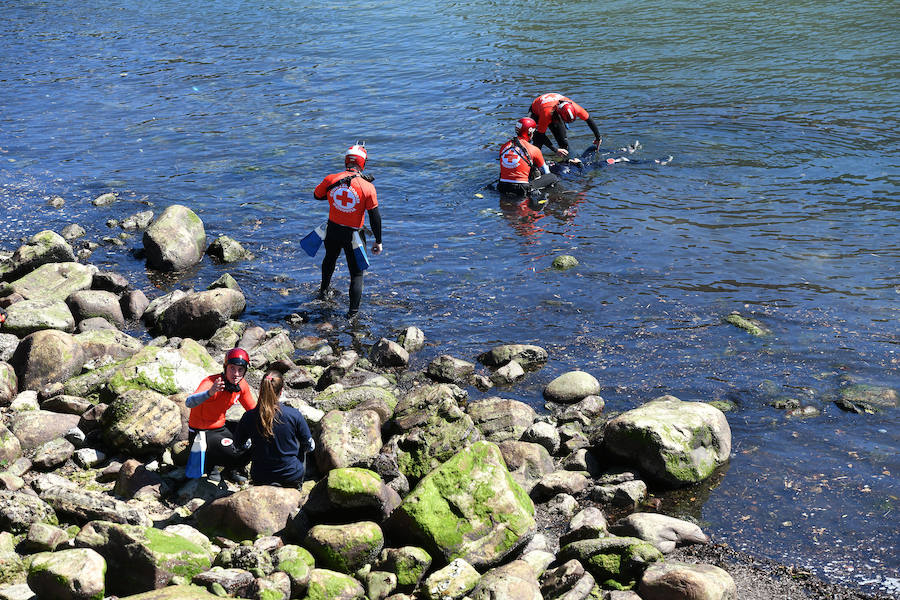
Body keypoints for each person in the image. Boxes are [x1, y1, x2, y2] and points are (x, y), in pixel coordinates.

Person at [314, 143, 383, 319]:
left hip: (333, 230)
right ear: (363, 163)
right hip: (354, 235)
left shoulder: (331, 179)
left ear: (346, 161)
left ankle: (323, 291)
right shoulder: (368, 187)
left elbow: (317, 195)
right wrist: (378, 240)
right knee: (357, 273)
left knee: (329, 259)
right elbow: (375, 218)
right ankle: (352, 315)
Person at [185, 347, 256, 483]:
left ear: (245, 371)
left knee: (252, 437)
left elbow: (253, 410)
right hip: (202, 432)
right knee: (237, 454)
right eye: (232, 368)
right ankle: (211, 465)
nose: (236, 374)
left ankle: (230, 469)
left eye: (240, 370)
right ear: (225, 368)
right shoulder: (212, 383)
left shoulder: (241, 385)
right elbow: (189, 402)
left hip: (221, 427)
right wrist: (209, 393)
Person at [233, 370, 315, 487]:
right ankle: (298, 487)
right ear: (281, 391)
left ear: (261, 390)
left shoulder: (249, 416)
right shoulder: (293, 414)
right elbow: (310, 446)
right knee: (302, 443)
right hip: (290, 475)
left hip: (260, 476)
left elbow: (238, 444)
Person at [528, 93, 602, 158]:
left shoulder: (575, 107)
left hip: (553, 109)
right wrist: (555, 150)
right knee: (537, 143)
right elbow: (540, 135)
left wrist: (598, 138)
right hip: (537, 112)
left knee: (564, 144)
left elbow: (589, 119)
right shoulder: (547, 113)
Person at [498, 117, 558, 196]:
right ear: (530, 131)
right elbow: (546, 171)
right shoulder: (533, 149)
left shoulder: (504, 146)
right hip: (521, 188)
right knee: (552, 177)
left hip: (502, 186)